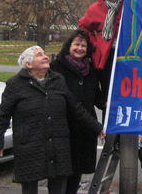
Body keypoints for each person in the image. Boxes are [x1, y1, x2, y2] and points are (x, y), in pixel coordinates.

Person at [0, 46, 105, 194]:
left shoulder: (58, 80)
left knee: (58, 185)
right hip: (30, 145)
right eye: (39, 55)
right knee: (30, 187)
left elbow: (75, 108)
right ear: (28, 65)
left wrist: (97, 127)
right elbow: (3, 115)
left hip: (58, 144)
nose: (45, 56)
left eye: (44, 54)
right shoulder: (15, 84)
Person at [50, 30, 102, 194]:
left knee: (76, 172)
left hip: (84, 130)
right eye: (76, 45)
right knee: (61, 173)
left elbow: (95, 95)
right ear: (69, 46)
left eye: (83, 45)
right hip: (64, 128)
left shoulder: (91, 69)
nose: (80, 48)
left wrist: (109, 103)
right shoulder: (56, 67)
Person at [78, 0, 123, 117]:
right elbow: (83, 27)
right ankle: (108, 132)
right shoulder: (95, 9)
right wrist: (95, 45)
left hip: (125, 53)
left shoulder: (128, 6)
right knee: (108, 94)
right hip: (105, 56)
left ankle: (125, 135)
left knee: (124, 91)